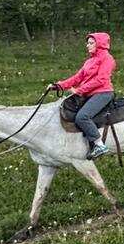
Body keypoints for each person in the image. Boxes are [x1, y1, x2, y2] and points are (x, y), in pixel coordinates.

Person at [47, 31, 116, 160]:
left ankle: (99, 145)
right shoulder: (89, 61)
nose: (87, 45)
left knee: (82, 117)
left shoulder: (107, 58)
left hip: (103, 93)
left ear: (99, 44)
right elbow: (77, 78)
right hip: (90, 93)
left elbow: (101, 80)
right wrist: (59, 85)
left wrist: (79, 90)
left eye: (91, 43)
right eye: (87, 43)